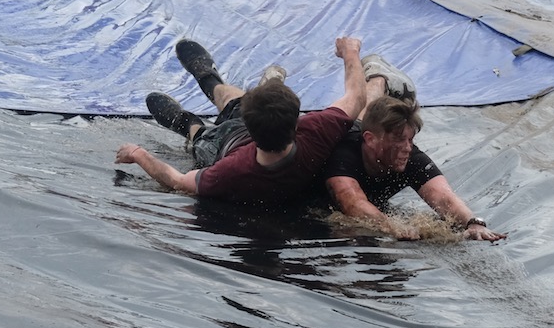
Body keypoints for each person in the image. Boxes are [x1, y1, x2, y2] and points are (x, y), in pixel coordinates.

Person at [116, 36, 408, 207]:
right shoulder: (316, 131)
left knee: (204, 128)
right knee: (228, 105)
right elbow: (355, 97)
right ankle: (208, 82)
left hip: (222, 144)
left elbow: (177, 181)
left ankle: (191, 113)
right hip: (236, 138)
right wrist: (351, 52)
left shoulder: (233, 169)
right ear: (298, 124)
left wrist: (139, 154)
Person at [321, 79, 507, 242]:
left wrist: (473, 223)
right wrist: (392, 226)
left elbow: (444, 198)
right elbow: (352, 202)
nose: (407, 148)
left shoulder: (410, 156)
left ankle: (381, 80)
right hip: (342, 128)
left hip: (370, 133)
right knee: (356, 105)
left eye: (410, 139)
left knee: (372, 114)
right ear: (370, 140)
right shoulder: (344, 153)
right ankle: (375, 78)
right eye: (398, 139)